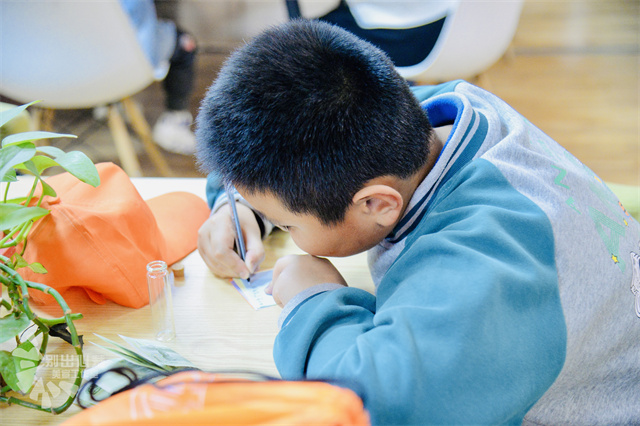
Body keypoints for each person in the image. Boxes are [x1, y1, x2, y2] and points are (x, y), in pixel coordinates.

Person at [195, 19, 640, 425]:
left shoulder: (481, 264)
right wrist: (238, 208)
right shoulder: (427, 113)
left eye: (288, 225)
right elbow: (278, 143)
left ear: (376, 204)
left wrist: (311, 300)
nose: (287, 234)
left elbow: (377, 407)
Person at [120, 0, 197, 155]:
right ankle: (174, 121)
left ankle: (109, 106)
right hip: (121, 63)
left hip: (67, 70)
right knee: (186, 43)